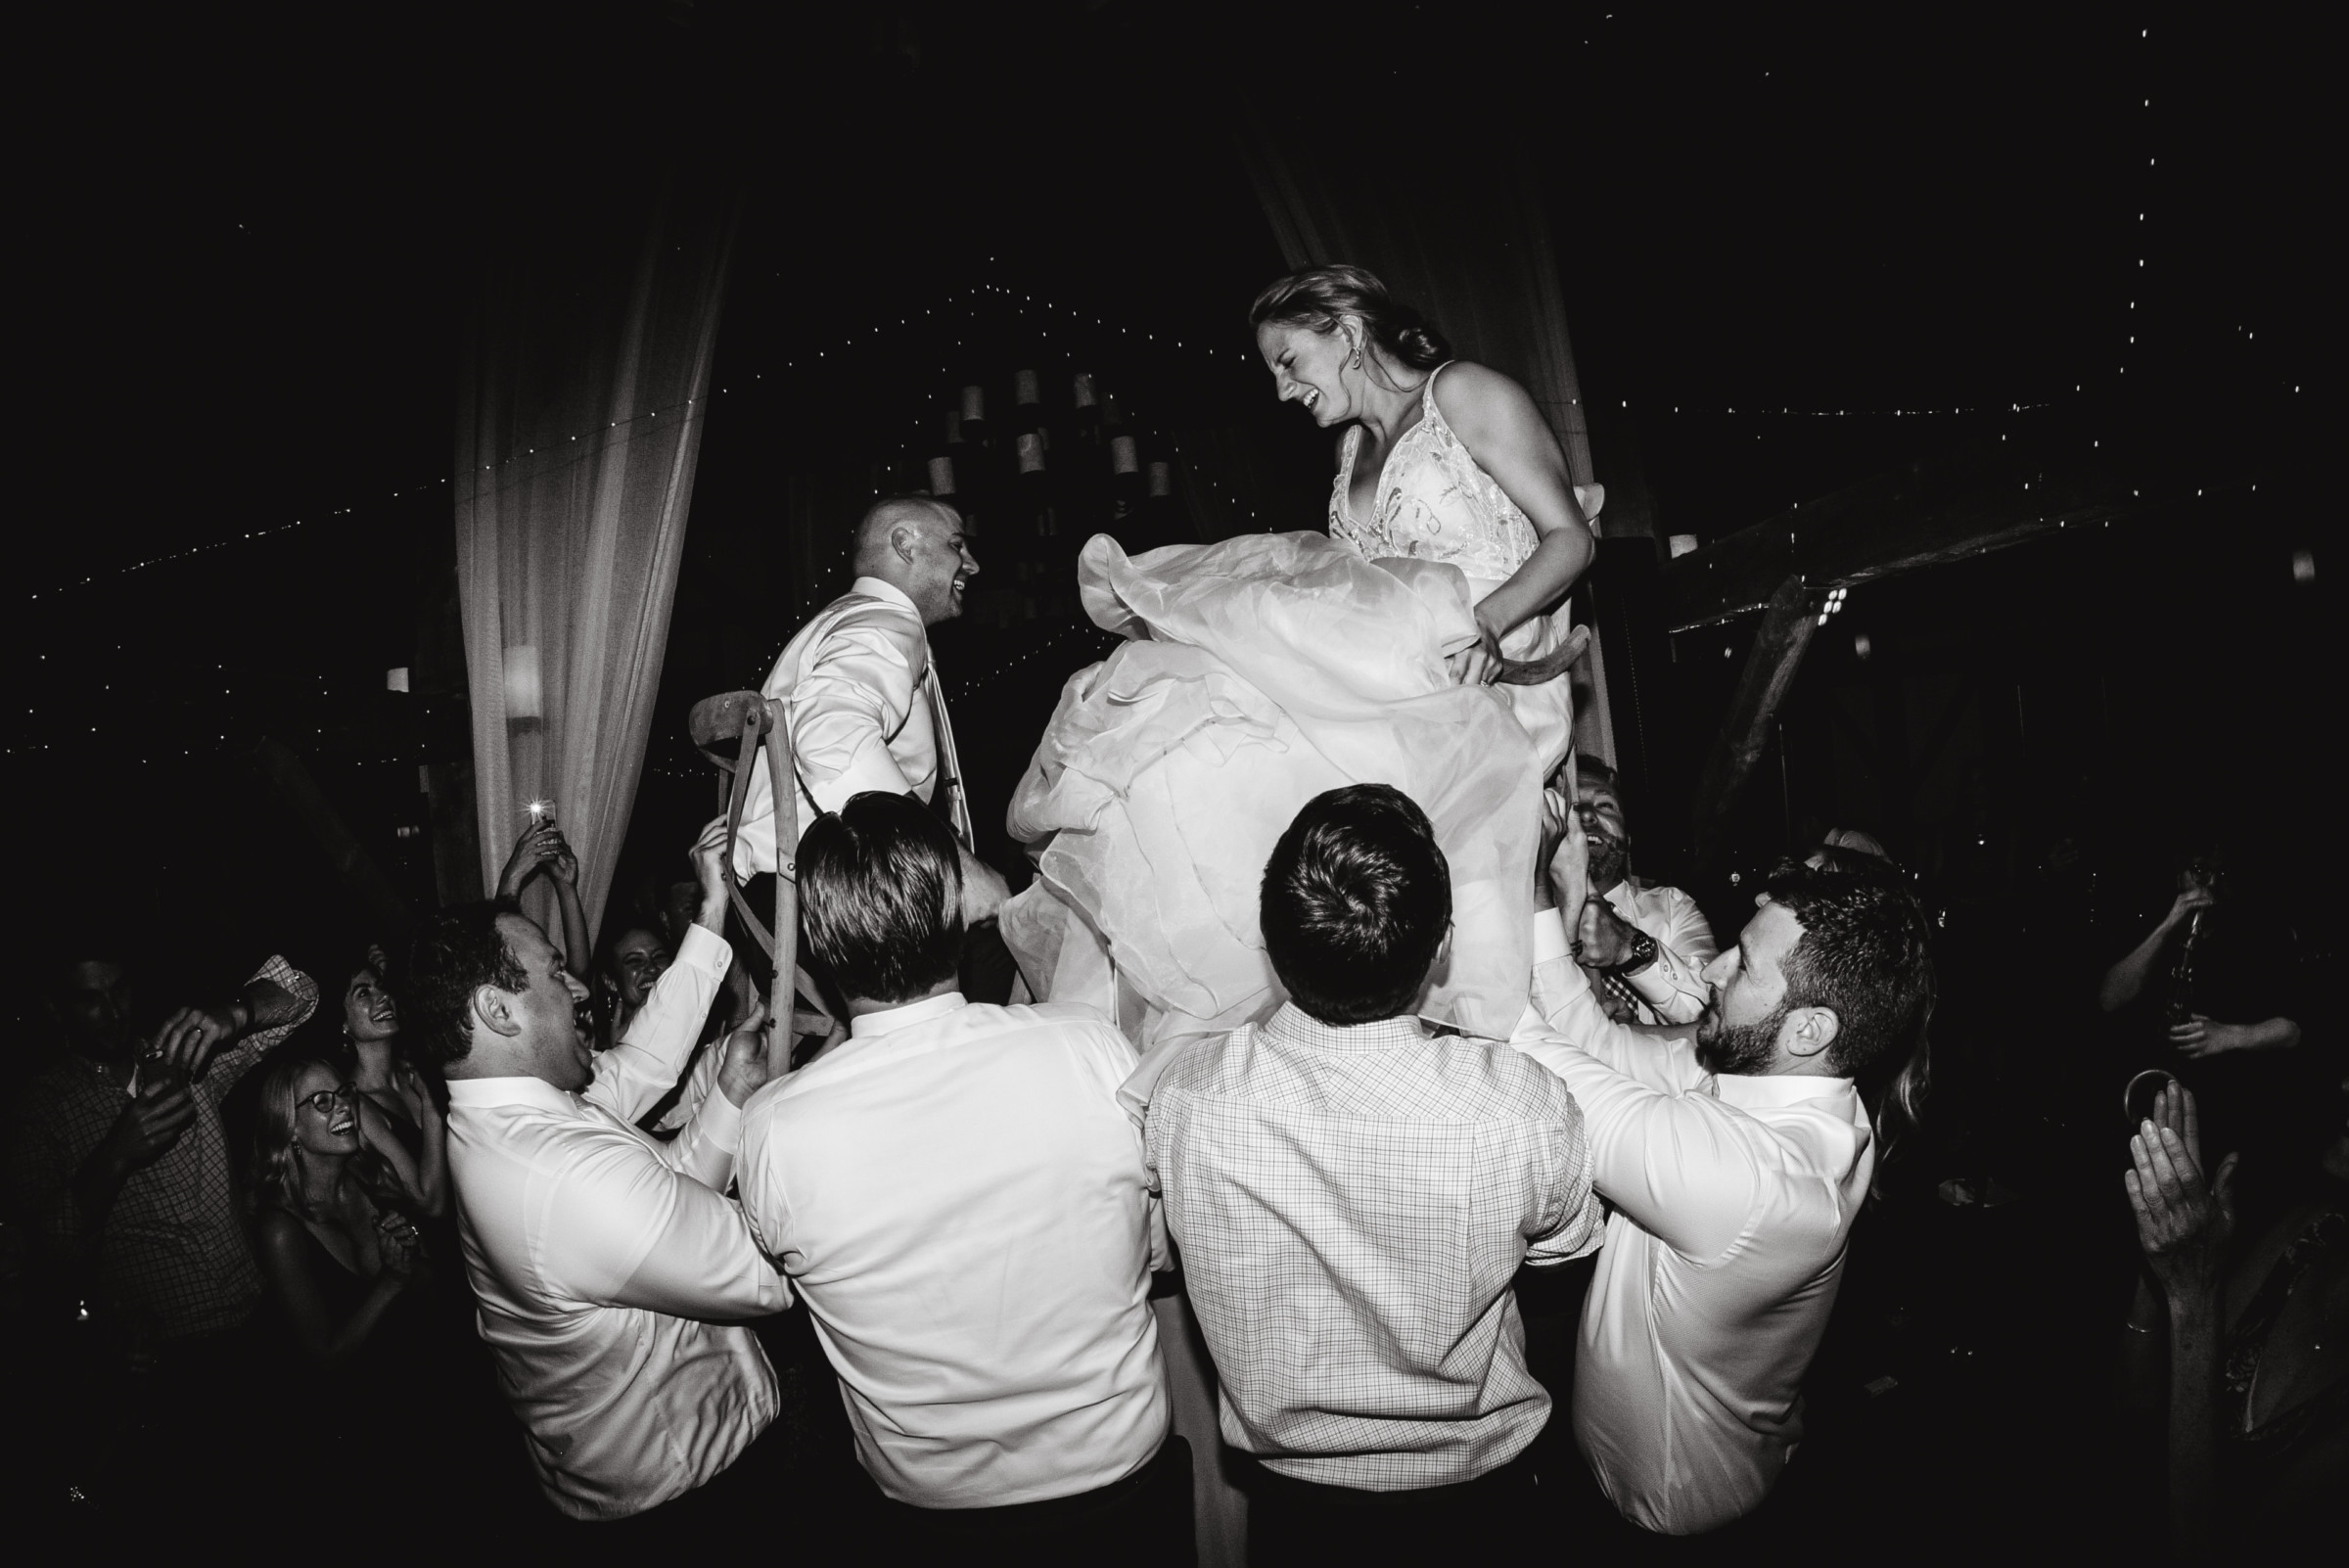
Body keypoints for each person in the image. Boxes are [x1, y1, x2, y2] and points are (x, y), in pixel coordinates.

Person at [1143, 784, 1604, 1559]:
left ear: (1270, 942)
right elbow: (1567, 1246)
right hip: (1482, 1508)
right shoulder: (1518, 1105)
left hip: (1300, 1520)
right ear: (1442, 946)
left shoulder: (1188, 1098)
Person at [736, 791, 1187, 1564]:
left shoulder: (776, 1128)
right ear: (954, 899)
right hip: (1119, 1484)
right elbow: (1157, 1251)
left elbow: (789, 1285)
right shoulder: (1088, 1050)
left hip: (931, 1517)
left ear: (815, 938)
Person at [1514, 811, 1936, 1537]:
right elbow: (1588, 1042)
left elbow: (1541, 1062)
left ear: (1810, 1028)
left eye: (1741, 962)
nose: (1711, 969)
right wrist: (1538, 898)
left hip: (1672, 1515)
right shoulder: (1782, 1081)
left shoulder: (1758, 1185)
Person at [400, 819, 789, 1524]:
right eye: (555, 972)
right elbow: (765, 1269)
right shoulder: (556, 1179)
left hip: (670, 1457)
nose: (579, 987)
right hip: (680, 1492)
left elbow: (646, 1082)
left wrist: (730, 1085)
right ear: (497, 1011)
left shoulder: (510, 1113)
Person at [5, 942, 315, 1508]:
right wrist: (117, 1154)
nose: (114, 1009)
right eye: (90, 999)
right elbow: (40, 1250)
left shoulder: (177, 1058)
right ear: (57, 1010)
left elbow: (299, 993)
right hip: (166, 1366)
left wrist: (233, 1013)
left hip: (257, 1326)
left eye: (119, 989)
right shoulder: (41, 1108)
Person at [1256, 263, 1598, 772]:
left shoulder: (1462, 392)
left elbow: (1572, 539)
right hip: (1387, 684)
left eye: (1288, 362)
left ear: (1348, 333)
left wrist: (1483, 624)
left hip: (1489, 677)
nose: (1283, 390)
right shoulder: (1347, 453)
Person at [729, 494, 1009, 940]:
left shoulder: (839, 620)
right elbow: (831, 736)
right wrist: (954, 864)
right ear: (905, 544)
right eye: (957, 545)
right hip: (823, 904)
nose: (971, 564)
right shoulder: (884, 622)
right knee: (1014, 934)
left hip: (768, 906)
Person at [2122, 1077, 2347, 1555]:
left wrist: (2194, 1295)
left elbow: (2204, 1548)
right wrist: (2163, 1253)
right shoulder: (2314, 1229)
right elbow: (2143, 1407)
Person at [1551, 755, 1718, 1025]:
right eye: (1571, 805)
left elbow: (1714, 1014)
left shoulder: (1673, 907)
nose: (1585, 815)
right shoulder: (1521, 920)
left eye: (1605, 806)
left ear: (1627, 839)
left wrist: (1627, 946)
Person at [335, 950, 448, 1216]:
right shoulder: (356, 1107)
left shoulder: (417, 1067)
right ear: (343, 1024)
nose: (383, 997)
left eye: (382, 988)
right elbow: (430, 1203)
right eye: (363, 993)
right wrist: (431, 1107)